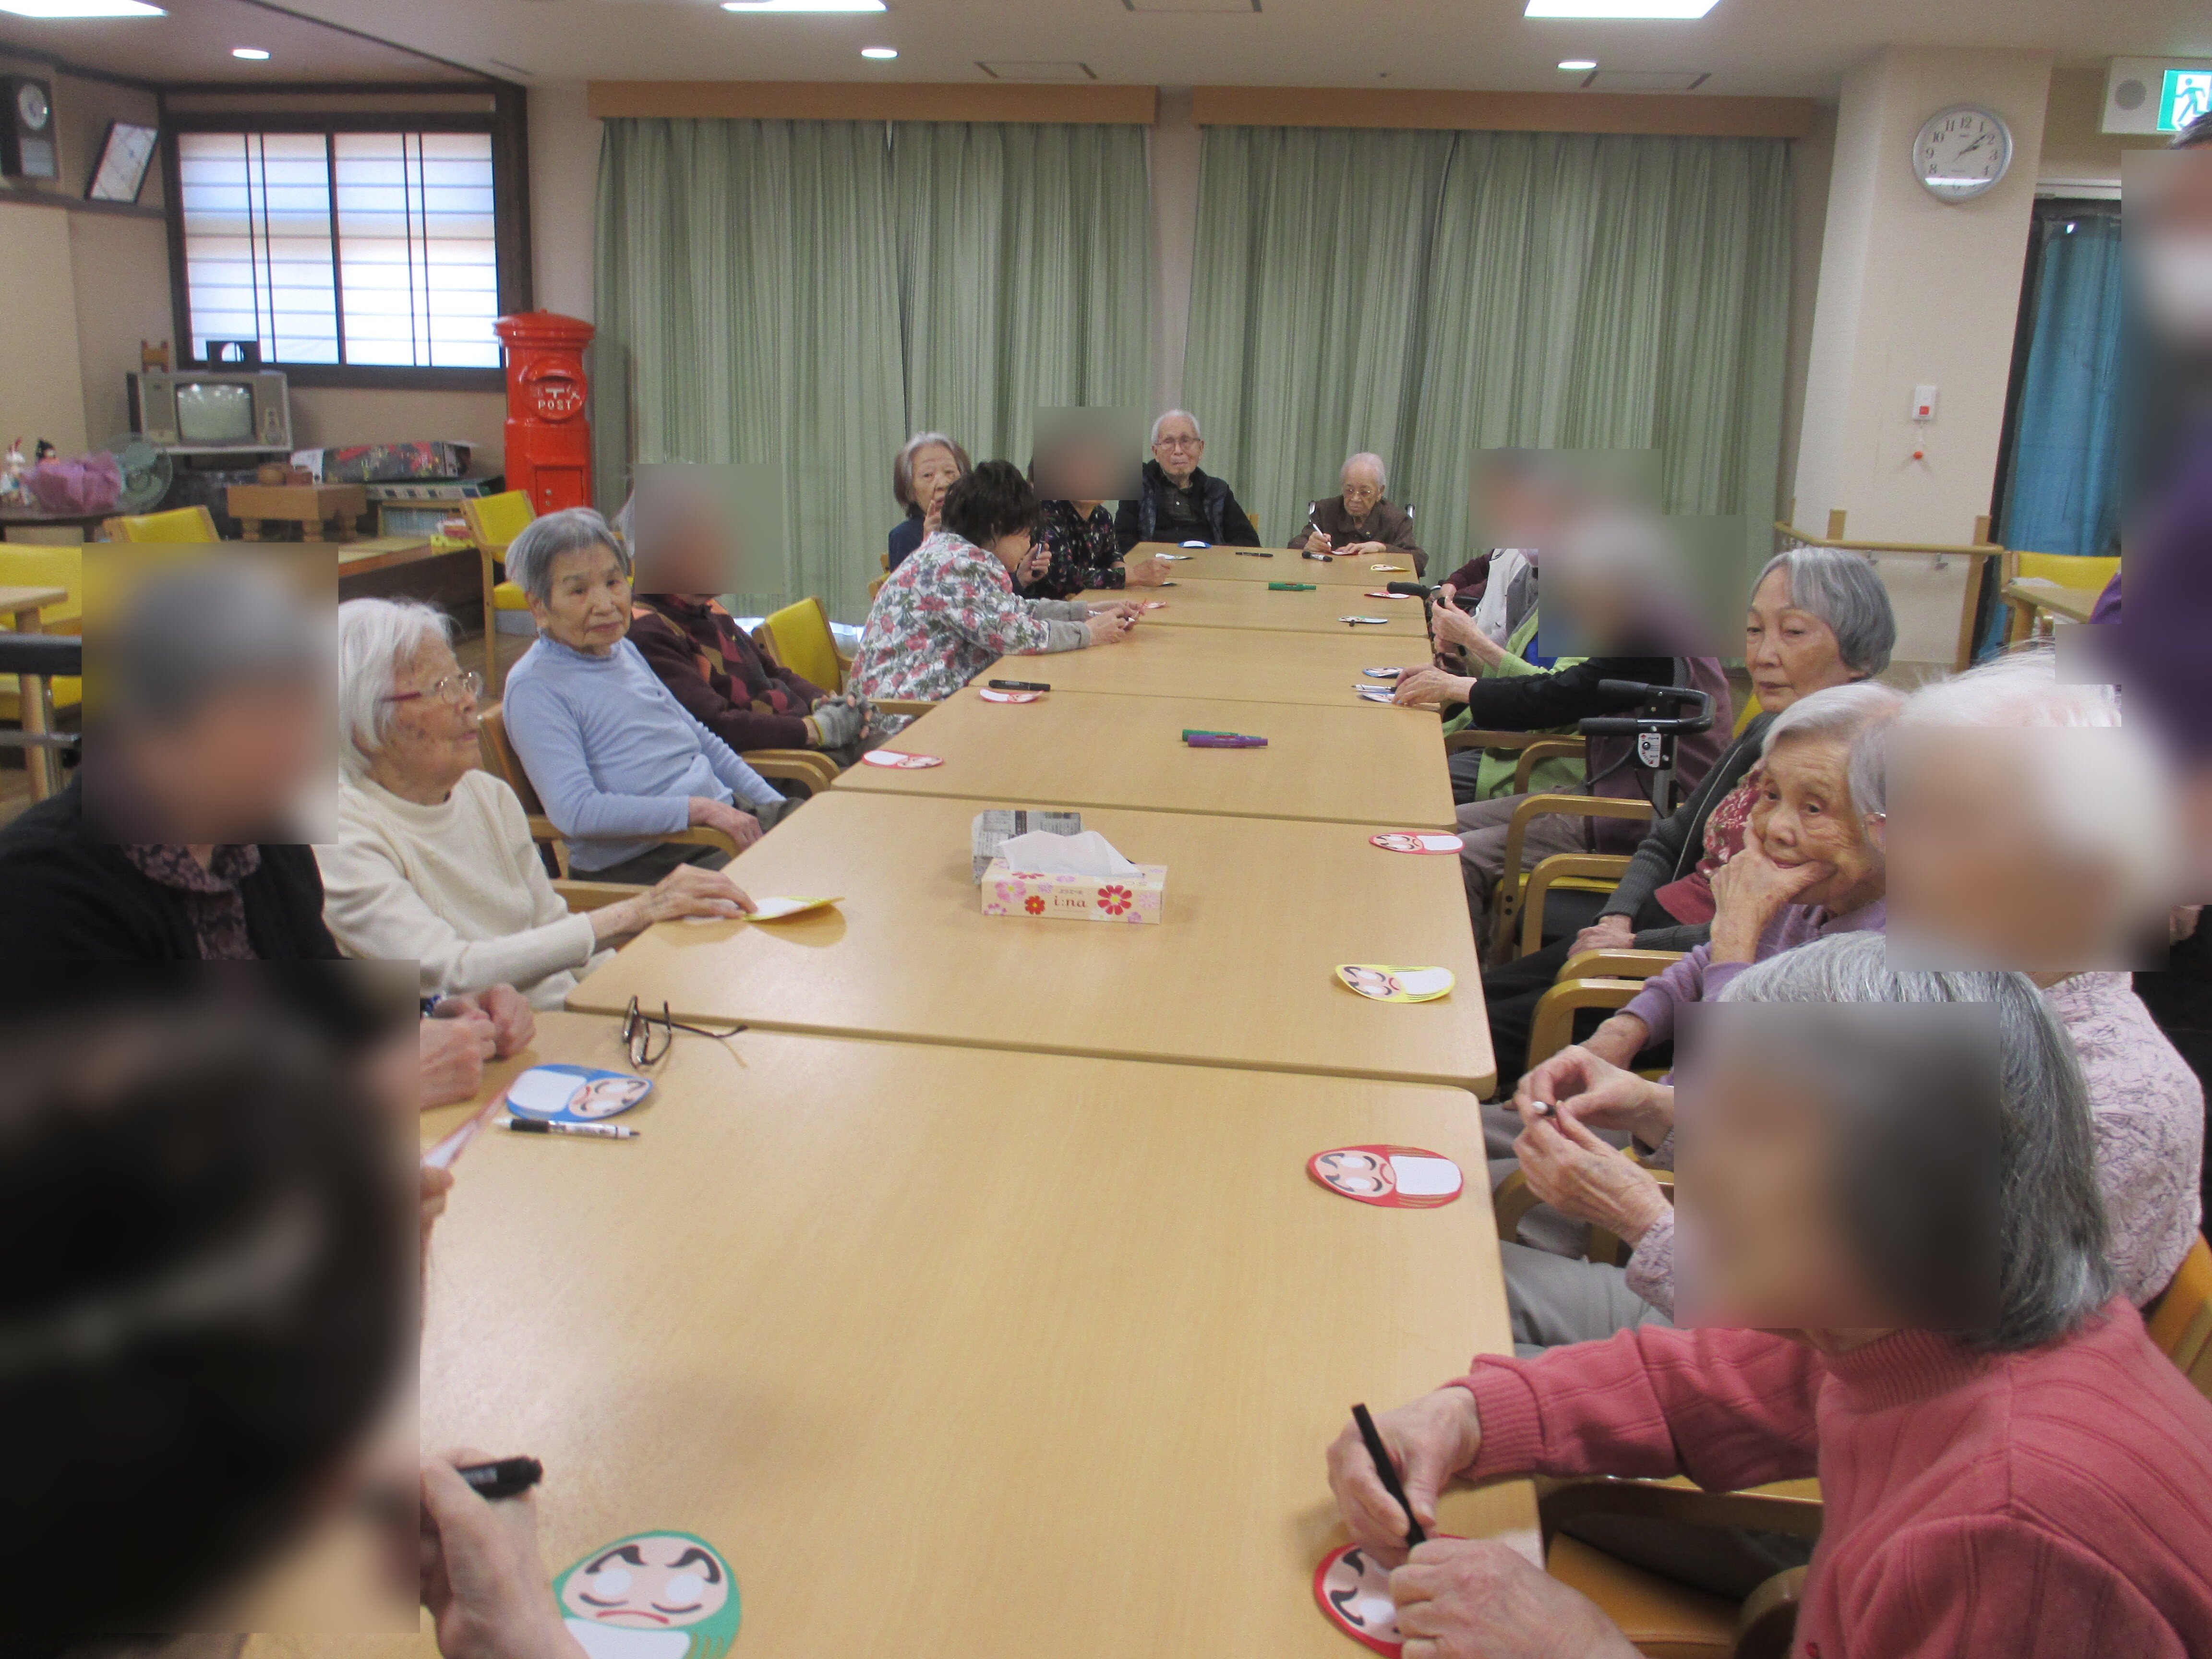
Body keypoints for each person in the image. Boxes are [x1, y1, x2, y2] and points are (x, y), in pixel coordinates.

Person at [1330, 934, 2212, 1658]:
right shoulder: (1916, 1310)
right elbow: (1700, 1384)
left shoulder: (2014, 1534)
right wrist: (1467, 1415)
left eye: (1753, 1127)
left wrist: (1582, 1650)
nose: (1701, 1168)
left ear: (1911, 1176)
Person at [1493, 681, 1902, 1347]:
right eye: (1769, 795)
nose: (1777, 828)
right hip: (1673, 1151)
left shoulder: (1888, 966)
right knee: (1450, 1139)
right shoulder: (1816, 894)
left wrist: (1739, 931)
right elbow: (1698, 962)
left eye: (1815, 807)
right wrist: (1618, 1036)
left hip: (1719, 1249)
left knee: (1457, 1219)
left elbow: (1737, 1136)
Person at [1478, 545, 1896, 1086]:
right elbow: (1669, 839)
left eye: (1793, 632)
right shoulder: (1769, 729)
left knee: (1477, 1032)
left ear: (1860, 651)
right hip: (1658, 933)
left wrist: (1634, 947)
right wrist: (1617, 917)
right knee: (1476, 998)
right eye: (1753, 631)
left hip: (1690, 966)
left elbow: (1769, 938)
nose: (1764, 655)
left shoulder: (1872, 760)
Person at [319, 598, 759, 1011]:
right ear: (363, 726)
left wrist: (638, 1001)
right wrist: (636, 912)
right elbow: (447, 971)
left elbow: (552, 925)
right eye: (441, 689)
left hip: (573, 1016)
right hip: (495, 1045)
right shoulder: (340, 835)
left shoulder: (484, 793)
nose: (469, 700)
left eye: (463, 680)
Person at [0, 559, 338, 959]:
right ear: (153, 731)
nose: (302, 751)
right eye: (264, 719)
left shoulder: (270, 844)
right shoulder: (42, 887)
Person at [499, 508, 786, 886]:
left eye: (613, 582)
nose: (605, 604)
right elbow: (575, 811)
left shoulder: (623, 650)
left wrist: (775, 806)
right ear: (539, 606)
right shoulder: (534, 686)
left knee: (832, 838)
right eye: (579, 591)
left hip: (718, 822)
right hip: (653, 859)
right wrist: (698, 810)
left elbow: (702, 740)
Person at [616, 488, 878, 765]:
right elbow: (716, 726)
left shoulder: (707, 608)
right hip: (782, 765)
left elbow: (773, 673)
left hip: (802, 741)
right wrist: (814, 729)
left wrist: (824, 702)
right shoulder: (648, 632)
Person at [849, 459, 1140, 704]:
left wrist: (1087, 611)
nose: (1029, 544)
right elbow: (1014, 634)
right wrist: (1089, 633)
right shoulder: (959, 565)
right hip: (902, 716)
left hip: (921, 701)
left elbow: (1015, 610)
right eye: (1025, 535)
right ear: (995, 529)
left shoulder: (957, 554)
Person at [1112, 410, 1260, 552]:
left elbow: (1249, 543)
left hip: (1207, 566)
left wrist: (1213, 558)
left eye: (1186, 441)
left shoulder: (1217, 491)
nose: (1178, 451)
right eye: (1168, 442)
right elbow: (1121, 541)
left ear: (1201, 449)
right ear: (1155, 452)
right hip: (1156, 567)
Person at [1292, 452, 1425, 577]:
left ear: (1380, 492)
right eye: (1349, 491)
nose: (1355, 499)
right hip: (1331, 581)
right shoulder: (1327, 510)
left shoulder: (1395, 519)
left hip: (1377, 586)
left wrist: (1382, 548)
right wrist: (1308, 546)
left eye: (1364, 493)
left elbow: (1418, 560)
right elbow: (1294, 545)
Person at [887, 432, 969, 571]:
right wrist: (928, 548)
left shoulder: (979, 526)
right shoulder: (905, 536)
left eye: (949, 472)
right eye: (928, 475)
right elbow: (907, 585)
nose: (943, 484)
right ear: (910, 491)